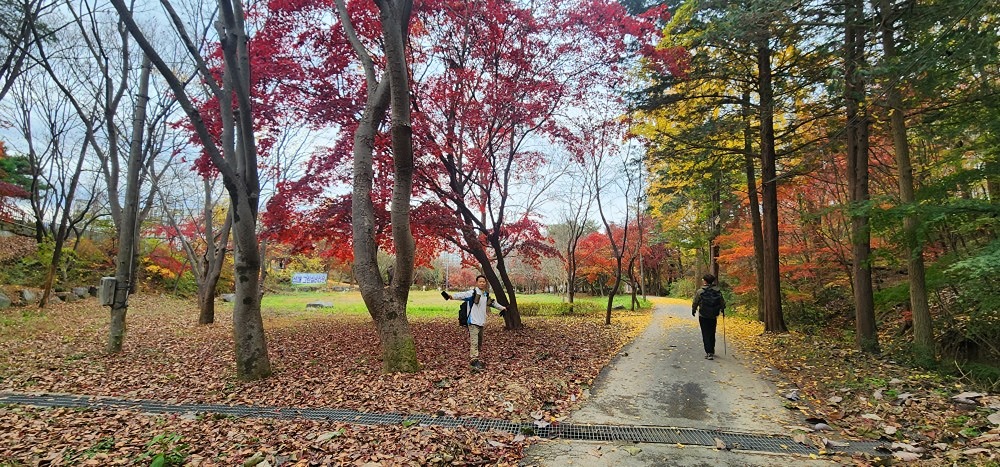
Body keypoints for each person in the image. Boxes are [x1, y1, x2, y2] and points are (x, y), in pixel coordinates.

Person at [442, 275, 506, 370]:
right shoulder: (472, 293)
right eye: (480, 281)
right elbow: (462, 295)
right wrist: (451, 296)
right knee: (474, 342)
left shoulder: (485, 295)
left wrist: (503, 308)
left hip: (481, 322)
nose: (482, 283)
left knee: (480, 342)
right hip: (472, 322)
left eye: (483, 282)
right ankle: (474, 361)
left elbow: (492, 303)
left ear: (485, 283)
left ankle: (476, 358)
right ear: (477, 283)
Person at [692, 273, 726, 360]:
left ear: (705, 281)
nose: (702, 281)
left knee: (705, 333)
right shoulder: (717, 291)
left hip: (703, 315)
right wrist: (722, 309)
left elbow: (695, 302)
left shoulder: (700, 291)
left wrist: (694, 310)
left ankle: (709, 352)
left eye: (703, 279)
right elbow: (722, 302)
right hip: (713, 315)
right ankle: (712, 350)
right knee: (712, 332)